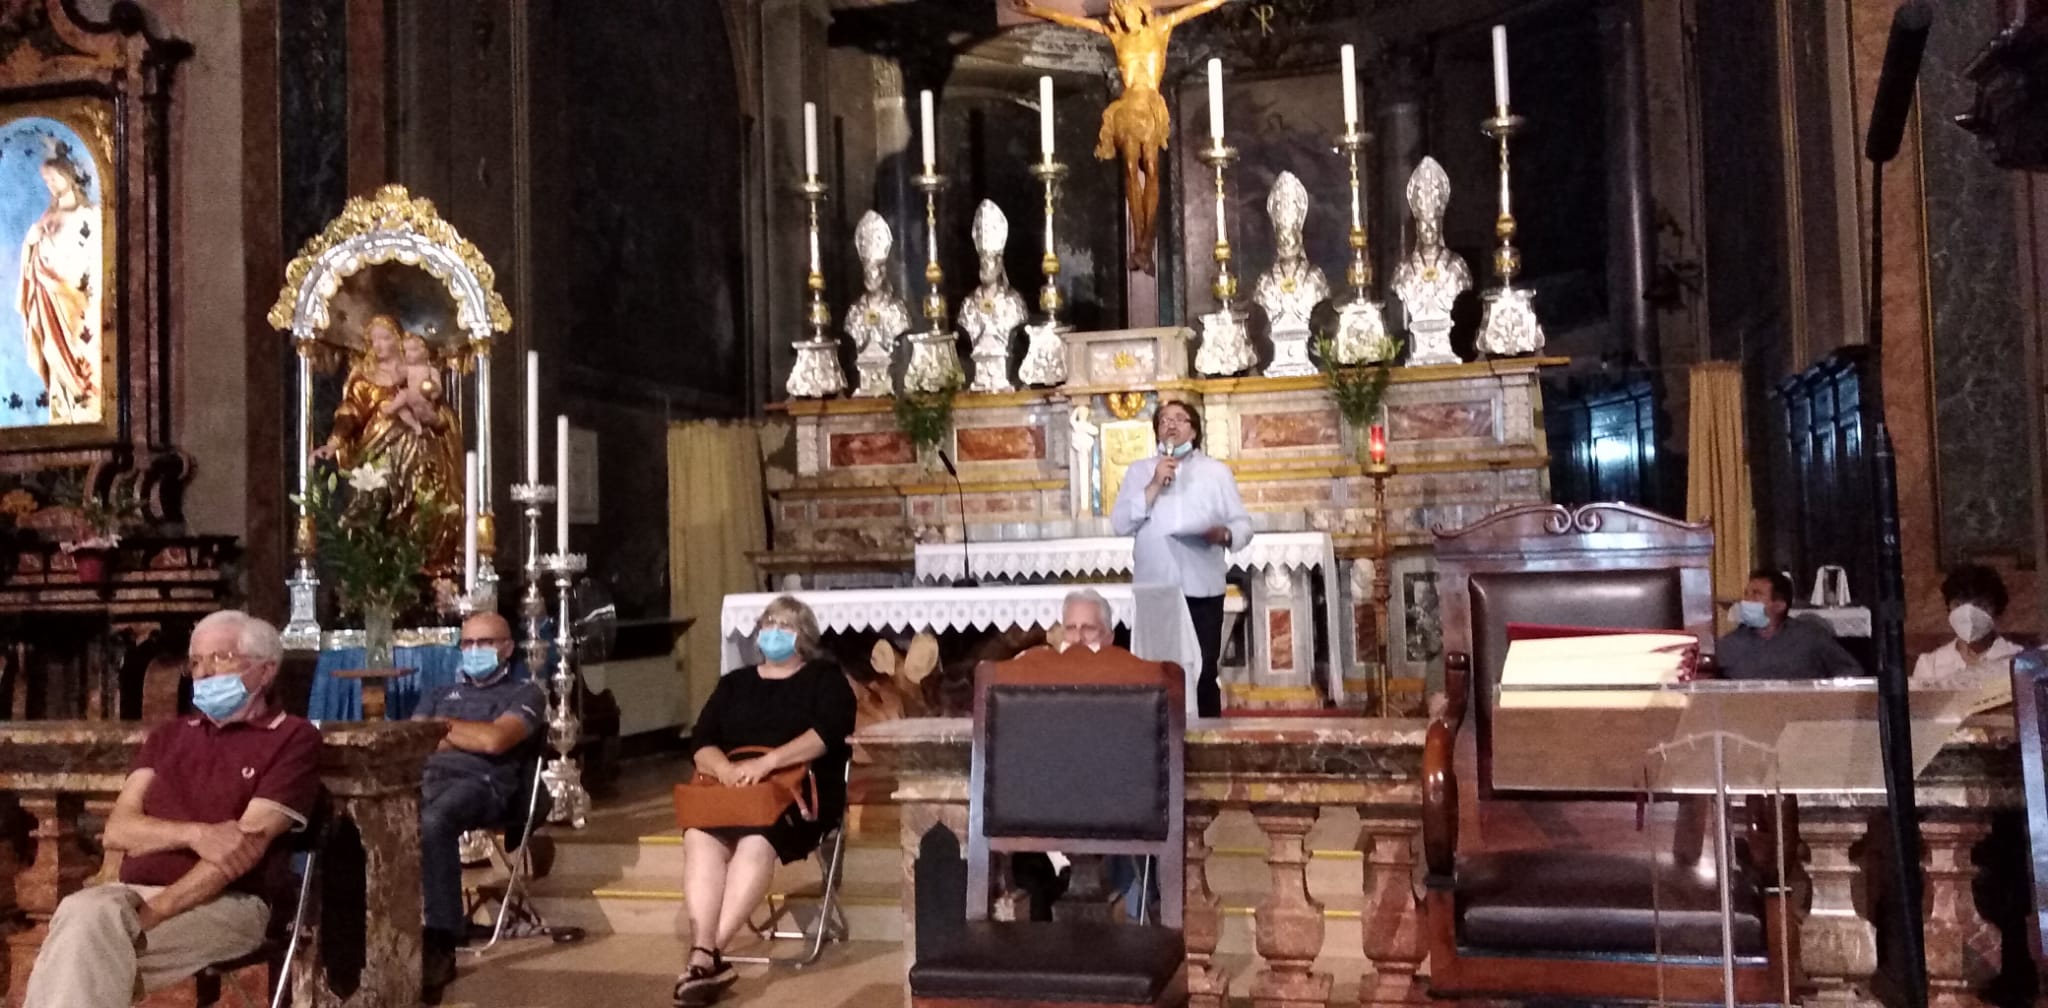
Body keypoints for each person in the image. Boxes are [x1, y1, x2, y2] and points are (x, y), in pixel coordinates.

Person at [22, 611, 320, 1008]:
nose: (204, 672)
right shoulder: (169, 736)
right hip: (126, 899)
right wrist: (197, 835)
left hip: (229, 904)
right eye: (195, 662)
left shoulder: (292, 738)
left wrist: (154, 911)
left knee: (80, 935)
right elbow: (119, 830)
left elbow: (238, 853)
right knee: (86, 931)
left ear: (266, 670)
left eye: (221, 657)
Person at [676, 596, 855, 1007]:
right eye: (768, 623)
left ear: (804, 637)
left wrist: (768, 763)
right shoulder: (734, 683)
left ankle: (706, 954)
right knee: (699, 837)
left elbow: (827, 734)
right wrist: (724, 770)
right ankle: (706, 956)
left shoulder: (824, 678)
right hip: (731, 787)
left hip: (797, 790)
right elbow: (702, 740)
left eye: (785, 625)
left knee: (757, 840)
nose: (773, 631)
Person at [1009, 0, 1232, 274]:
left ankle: (1148, 237)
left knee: (1151, 167)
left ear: (1141, 9)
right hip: (1126, 109)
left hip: (1150, 106)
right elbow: (1074, 21)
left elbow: (1196, 8)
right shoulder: (1117, 36)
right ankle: (1139, 240)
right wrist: (1035, 10)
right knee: (1129, 167)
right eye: (1122, 12)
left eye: (1130, 10)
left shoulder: (1161, 28)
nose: (1127, 17)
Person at [413, 611, 546, 1004]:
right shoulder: (439, 693)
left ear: (507, 648)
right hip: (427, 778)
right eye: (468, 643)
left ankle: (441, 939)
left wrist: (444, 728)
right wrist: (464, 732)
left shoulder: (525, 693)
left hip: (486, 784)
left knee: (433, 821)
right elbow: (413, 741)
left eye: (485, 643)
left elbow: (495, 742)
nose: (474, 650)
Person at [1110, 399, 1253, 716]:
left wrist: (1224, 534)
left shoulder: (1215, 472)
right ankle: (1157, 737)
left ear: (1194, 430)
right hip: (1156, 589)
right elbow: (1120, 523)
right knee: (1156, 671)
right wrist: (1154, 484)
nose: (1170, 424)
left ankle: (1207, 739)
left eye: (1179, 418)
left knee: (1202, 671)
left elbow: (1243, 525)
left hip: (1201, 587)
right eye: (1163, 420)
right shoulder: (1139, 471)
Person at [313, 313, 464, 576]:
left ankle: (423, 557)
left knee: (426, 491)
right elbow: (350, 411)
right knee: (375, 498)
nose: (379, 345)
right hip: (378, 450)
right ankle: (380, 560)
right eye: (373, 340)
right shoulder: (363, 377)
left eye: (384, 338)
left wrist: (433, 416)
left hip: (420, 448)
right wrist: (334, 441)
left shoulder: (416, 371)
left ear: (398, 340)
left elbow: (437, 409)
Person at [17, 140, 103, 423]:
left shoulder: (89, 215)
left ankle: (85, 411)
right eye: (46, 180)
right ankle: (63, 411)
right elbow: (34, 258)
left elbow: (93, 258)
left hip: (75, 303)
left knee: (82, 354)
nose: (50, 184)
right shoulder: (48, 217)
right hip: (48, 302)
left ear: (68, 174)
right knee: (53, 354)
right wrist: (31, 242)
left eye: (54, 177)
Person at [1714, 569, 1863, 680]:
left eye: (1756, 594)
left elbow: (1852, 671)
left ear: (1779, 605)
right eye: (1746, 594)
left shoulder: (1810, 638)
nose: (1746, 600)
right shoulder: (1728, 645)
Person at [1913, 564, 2023, 678]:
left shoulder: (2018, 659)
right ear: (1949, 608)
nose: (1968, 614)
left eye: (1979, 605)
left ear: (1997, 609)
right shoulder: (1930, 665)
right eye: (1958, 604)